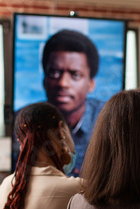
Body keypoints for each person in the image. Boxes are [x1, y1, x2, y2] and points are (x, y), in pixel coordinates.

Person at [42, 29, 105, 176]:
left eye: (75, 75)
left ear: (91, 84)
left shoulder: (108, 120)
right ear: (44, 80)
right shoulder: (25, 121)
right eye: (54, 73)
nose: (63, 83)